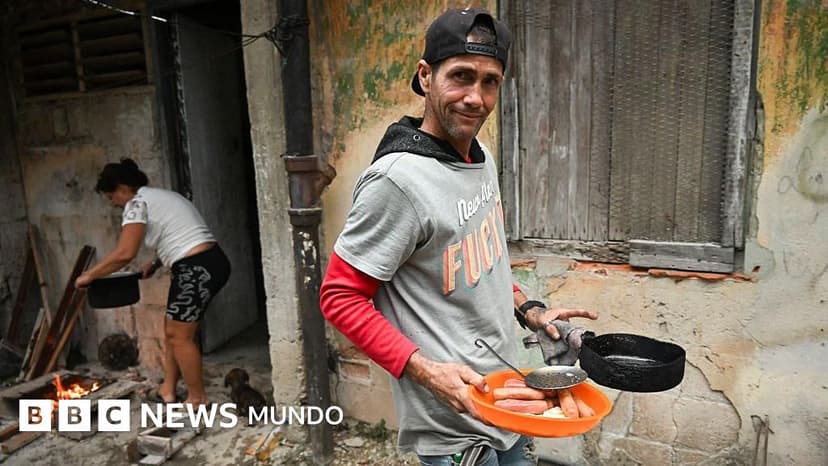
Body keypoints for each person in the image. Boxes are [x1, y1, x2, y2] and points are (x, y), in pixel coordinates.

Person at [320, 7, 597, 465]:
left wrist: (530, 310)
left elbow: (477, 264)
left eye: (490, 81)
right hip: (456, 428)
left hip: (508, 395)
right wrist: (427, 373)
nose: (475, 97)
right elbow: (339, 298)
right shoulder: (398, 181)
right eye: (461, 76)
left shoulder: (480, 157)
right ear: (425, 76)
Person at [75, 159, 231, 407]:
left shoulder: (136, 204)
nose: (113, 203)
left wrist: (90, 275)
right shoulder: (159, 196)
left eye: (111, 197)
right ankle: (167, 389)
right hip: (204, 263)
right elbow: (179, 232)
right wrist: (157, 263)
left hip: (196, 268)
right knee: (172, 330)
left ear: (123, 188)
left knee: (180, 336)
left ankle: (198, 400)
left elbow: (125, 253)